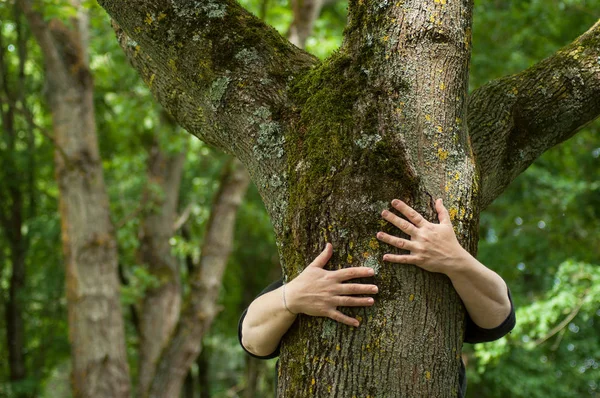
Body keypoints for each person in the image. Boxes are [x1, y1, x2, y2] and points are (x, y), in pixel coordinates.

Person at [238, 198, 515, 396]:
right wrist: (292, 296)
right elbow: (251, 338)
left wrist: (455, 260)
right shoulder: (308, 283)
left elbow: (499, 316)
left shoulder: (448, 287)